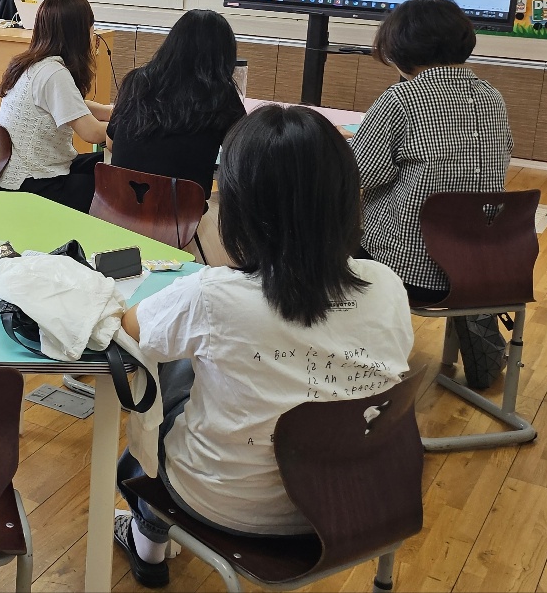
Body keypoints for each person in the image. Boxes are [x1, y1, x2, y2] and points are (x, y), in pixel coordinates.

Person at [115, 105, 413, 588]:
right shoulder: (386, 284)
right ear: (344, 198)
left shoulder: (214, 295)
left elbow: (129, 330)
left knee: (165, 379)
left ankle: (148, 537)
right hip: (353, 498)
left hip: (230, 506)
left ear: (239, 207)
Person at [353, 0, 513, 389]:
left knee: (327, 223)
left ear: (399, 48)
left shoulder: (401, 101)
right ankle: (478, 330)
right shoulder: (492, 96)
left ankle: (343, 353)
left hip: (413, 272)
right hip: (482, 265)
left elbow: (354, 176)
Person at [0, 0, 113, 213]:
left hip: (18, 177)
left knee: (103, 164)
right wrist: (129, 128)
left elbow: (69, 105)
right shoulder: (54, 73)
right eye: (91, 24)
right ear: (78, 31)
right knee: (114, 183)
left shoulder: (33, 63)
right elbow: (92, 133)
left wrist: (107, 111)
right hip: (32, 186)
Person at [108, 9, 246, 196]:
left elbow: (111, 143)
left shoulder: (137, 81)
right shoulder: (220, 95)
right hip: (179, 214)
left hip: (117, 205)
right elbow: (244, 154)